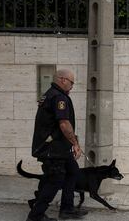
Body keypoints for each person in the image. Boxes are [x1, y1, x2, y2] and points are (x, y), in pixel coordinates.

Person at [27, 69, 88, 221]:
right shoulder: (59, 97)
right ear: (62, 79)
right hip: (52, 149)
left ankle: (67, 209)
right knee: (54, 181)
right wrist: (75, 144)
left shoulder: (51, 94)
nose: (72, 86)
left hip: (58, 147)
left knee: (73, 171)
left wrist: (73, 142)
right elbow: (64, 123)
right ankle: (35, 216)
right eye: (71, 82)